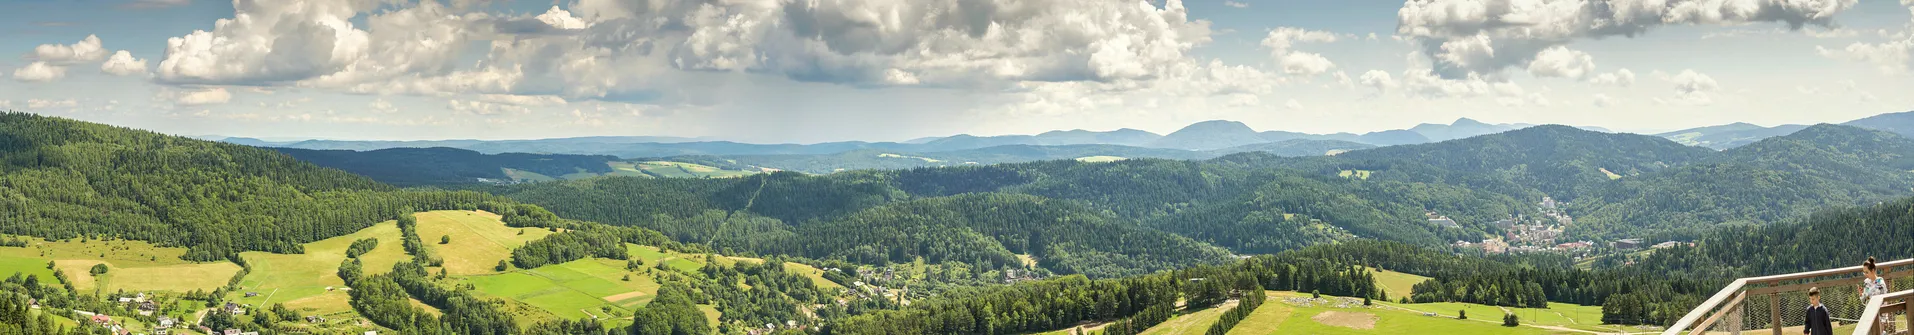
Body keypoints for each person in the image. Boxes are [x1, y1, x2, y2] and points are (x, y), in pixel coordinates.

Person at [1859, 257, 1894, 332]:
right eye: (1863, 272)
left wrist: (1883, 318)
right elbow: (1865, 301)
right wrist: (1861, 294)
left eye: (1867, 272)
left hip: (1879, 315)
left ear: (1873, 270)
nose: (1865, 274)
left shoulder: (1880, 283)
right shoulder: (1866, 282)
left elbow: (1884, 302)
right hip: (1869, 315)